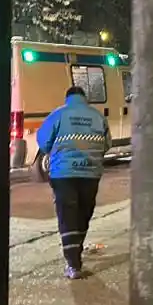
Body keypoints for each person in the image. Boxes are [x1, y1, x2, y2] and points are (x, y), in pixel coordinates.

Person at [36, 85, 111, 279]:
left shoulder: (58, 115)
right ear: (84, 98)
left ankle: (73, 264)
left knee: (67, 216)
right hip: (90, 173)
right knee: (83, 214)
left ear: (67, 98)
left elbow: (43, 142)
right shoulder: (98, 116)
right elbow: (107, 144)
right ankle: (76, 253)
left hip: (63, 174)